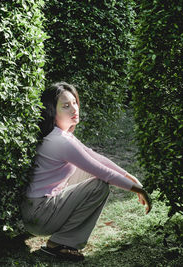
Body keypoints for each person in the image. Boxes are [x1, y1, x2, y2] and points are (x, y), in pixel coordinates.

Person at [21, 82, 152, 261]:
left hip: (35, 211)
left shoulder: (60, 135)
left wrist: (130, 177)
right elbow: (102, 172)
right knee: (99, 185)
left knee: (91, 174)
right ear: (52, 111)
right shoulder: (60, 142)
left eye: (74, 102)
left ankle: (61, 239)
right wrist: (139, 190)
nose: (74, 108)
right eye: (66, 106)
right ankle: (61, 244)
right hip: (39, 215)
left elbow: (95, 158)